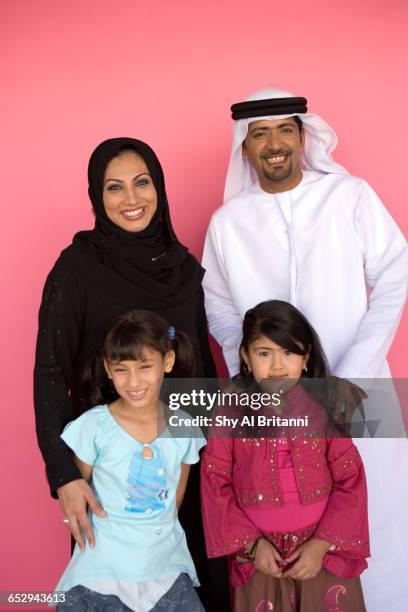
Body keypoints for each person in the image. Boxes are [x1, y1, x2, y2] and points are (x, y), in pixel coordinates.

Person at [202, 89, 408, 610]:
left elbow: (395, 275)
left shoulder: (351, 196)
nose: (274, 144)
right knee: (273, 514)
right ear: (244, 149)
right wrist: (250, 382)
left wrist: (352, 376)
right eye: (259, 134)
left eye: (284, 130)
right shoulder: (228, 222)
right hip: (268, 402)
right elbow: (220, 308)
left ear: (303, 137)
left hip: (358, 393)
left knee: (371, 505)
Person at [34, 137, 229, 611]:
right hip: (107, 481)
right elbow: (50, 371)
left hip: (180, 465)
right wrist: (64, 477)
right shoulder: (76, 269)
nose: (132, 199)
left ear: (159, 187)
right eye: (114, 188)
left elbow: (198, 371)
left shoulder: (184, 270)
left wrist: (204, 470)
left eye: (142, 183)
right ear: (97, 198)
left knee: (186, 588)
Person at [201, 300, 369, 612]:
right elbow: (215, 484)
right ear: (246, 357)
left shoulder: (326, 408)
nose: (277, 366)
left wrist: (320, 545)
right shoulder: (230, 413)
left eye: (288, 353)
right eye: (265, 353)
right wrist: (252, 546)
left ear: (305, 357)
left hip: (321, 558)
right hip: (260, 560)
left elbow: (350, 480)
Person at [54, 309, 206, 611]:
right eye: (121, 369)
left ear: (168, 361)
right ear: (108, 369)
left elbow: (172, 505)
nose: (133, 381)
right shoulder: (94, 427)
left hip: (165, 569)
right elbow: (75, 500)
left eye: (145, 366)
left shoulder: (184, 428)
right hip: (101, 572)